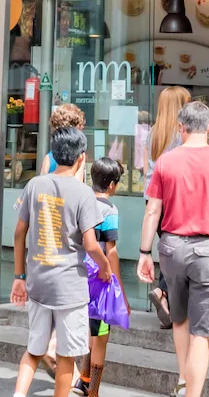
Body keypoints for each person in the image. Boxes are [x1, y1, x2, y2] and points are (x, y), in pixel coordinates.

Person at [137, 101, 209, 397]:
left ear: (181, 128)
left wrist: (144, 253)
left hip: (172, 248)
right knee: (202, 330)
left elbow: (152, 212)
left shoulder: (166, 162)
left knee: (180, 318)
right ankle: (192, 394)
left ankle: (183, 379)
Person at [12, 126, 109, 397]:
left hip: (38, 281)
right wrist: (105, 267)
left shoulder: (34, 184)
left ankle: (18, 395)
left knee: (34, 350)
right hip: (70, 286)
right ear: (82, 158)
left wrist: (19, 276)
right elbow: (90, 244)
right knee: (67, 355)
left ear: (53, 154)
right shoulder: (83, 193)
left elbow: (19, 233)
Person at [79, 157, 130, 397]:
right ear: (111, 185)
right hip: (99, 276)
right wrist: (117, 283)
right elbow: (111, 250)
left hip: (79, 274)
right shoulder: (110, 210)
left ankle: (83, 379)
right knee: (101, 336)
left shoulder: (82, 201)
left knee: (89, 328)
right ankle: (93, 390)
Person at [144, 85, 191, 328]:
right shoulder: (181, 135)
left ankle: (168, 303)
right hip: (174, 197)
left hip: (152, 197)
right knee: (176, 253)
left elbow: (145, 169)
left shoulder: (152, 133)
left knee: (167, 250)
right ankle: (164, 292)